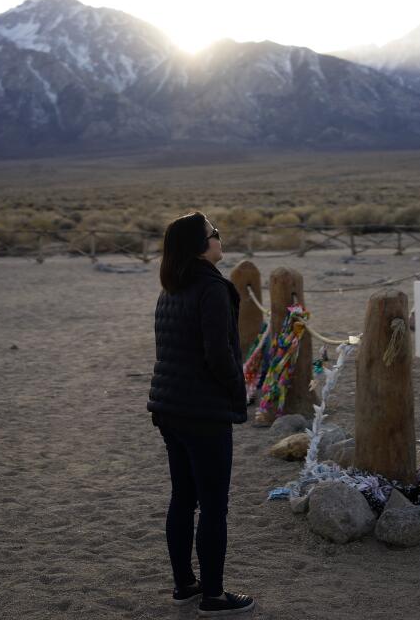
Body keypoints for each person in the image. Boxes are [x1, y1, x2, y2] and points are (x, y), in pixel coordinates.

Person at [147, 211, 256, 616]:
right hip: (203, 413)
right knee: (213, 505)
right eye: (214, 234)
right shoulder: (213, 288)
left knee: (182, 497)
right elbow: (218, 354)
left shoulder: (170, 287)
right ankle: (212, 596)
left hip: (169, 407)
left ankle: (184, 585)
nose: (219, 239)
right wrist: (236, 390)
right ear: (200, 245)